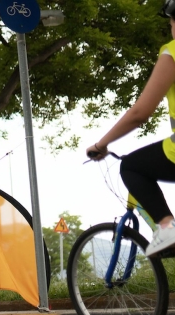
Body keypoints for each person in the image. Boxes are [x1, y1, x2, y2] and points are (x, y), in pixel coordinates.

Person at [88, 1, 175, 256]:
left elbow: (139, 114)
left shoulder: (171, 53)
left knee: (131, 166)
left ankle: (167, 227)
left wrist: (101, 144)